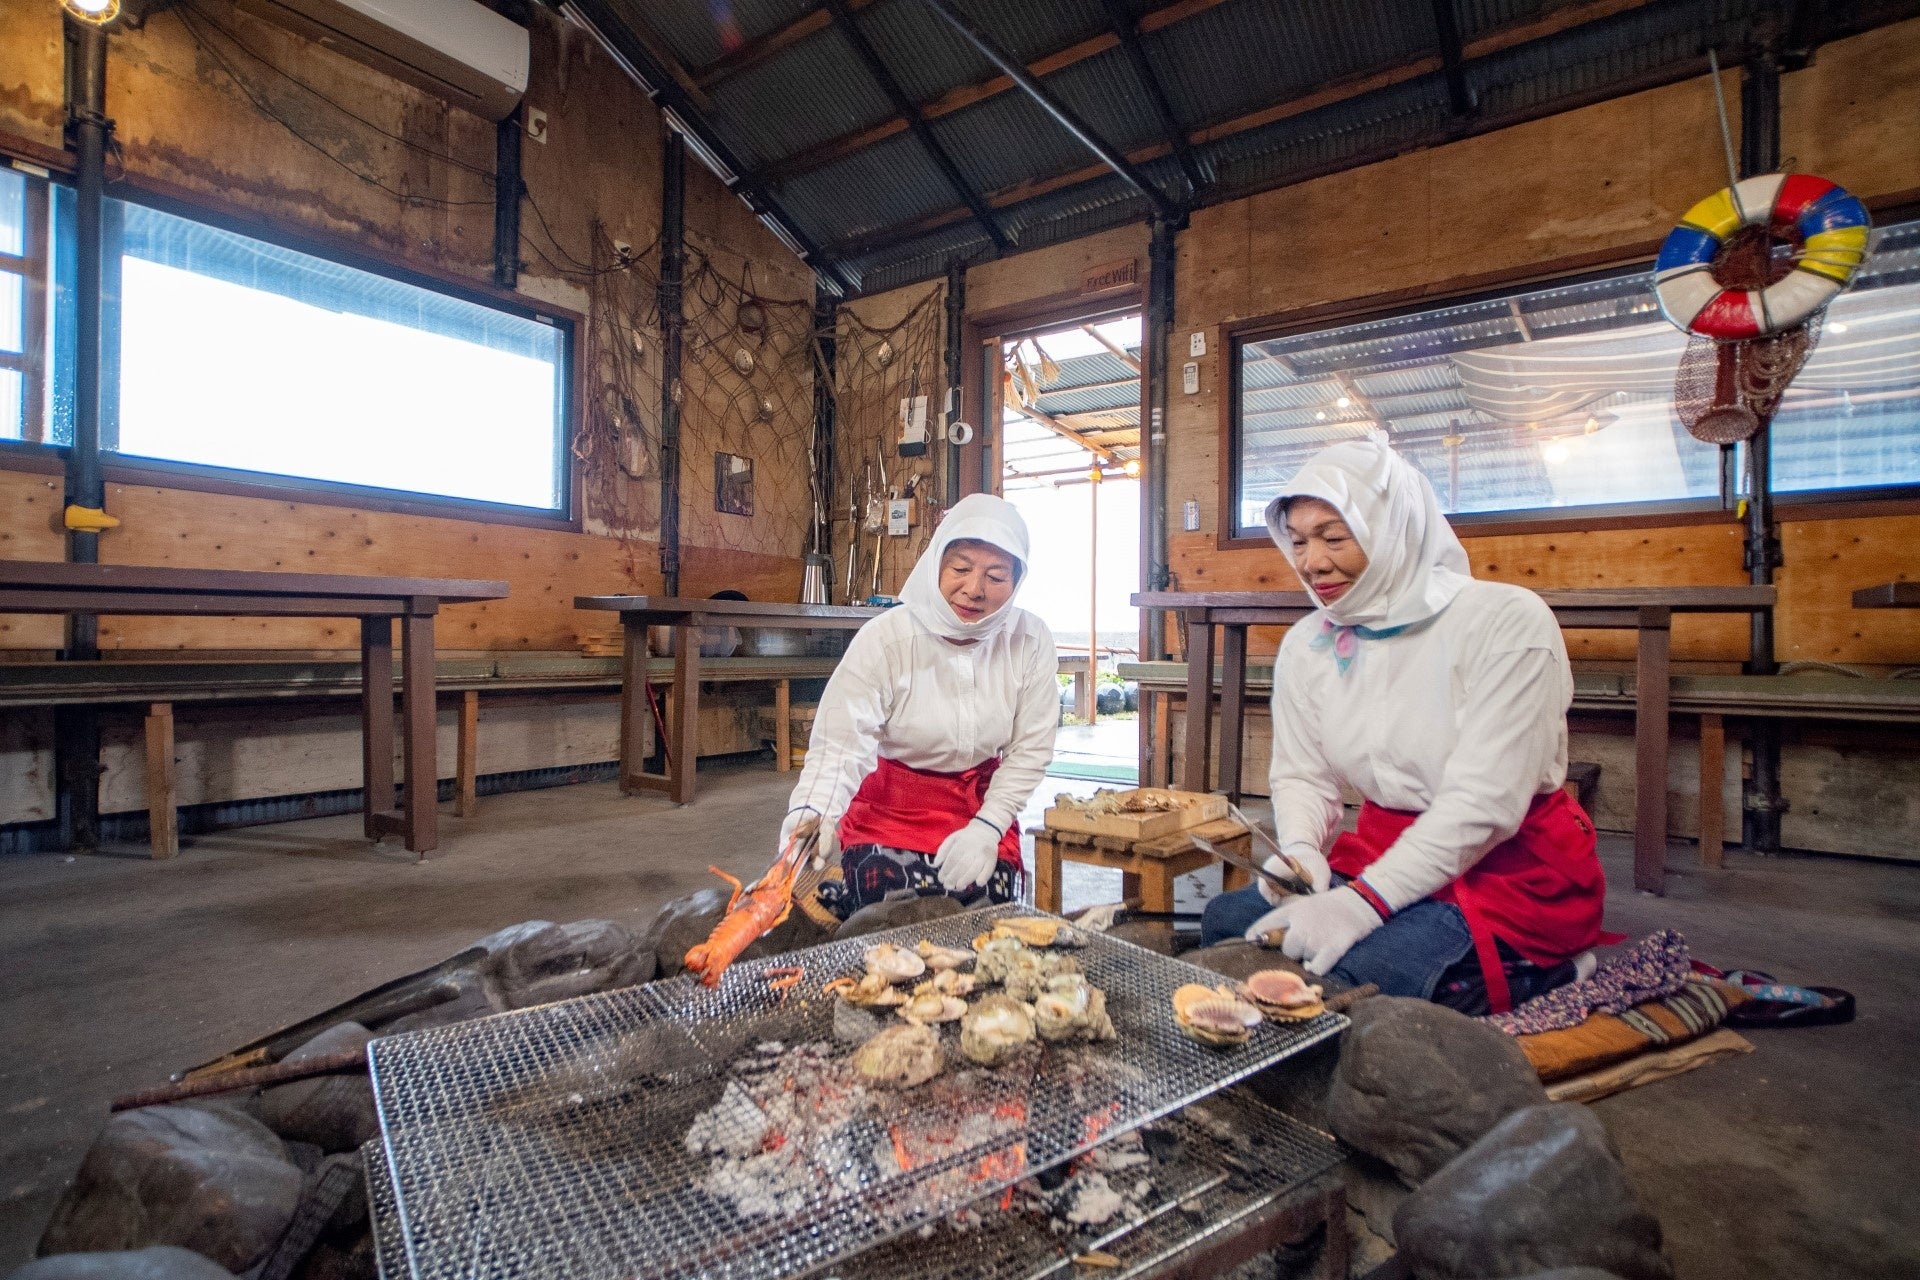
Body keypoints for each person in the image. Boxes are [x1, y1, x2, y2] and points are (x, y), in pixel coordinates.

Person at [1200, 437, 1606, 1014]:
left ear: (1393, 527)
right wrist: (1299, 850)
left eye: (1334, 538)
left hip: (1509, 869)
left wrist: (1360, 906)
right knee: (1230, 922)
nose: (1311, 563)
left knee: (1367, 976)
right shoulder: (1309, 645)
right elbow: (1301, 773)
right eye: (1297, 543)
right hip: (1380, 851)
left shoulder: (1505, 622)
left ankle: (1552, 970)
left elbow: (1484, 804)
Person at [780, 493, 1058, 915]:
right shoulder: (886, 639)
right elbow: (841, 743)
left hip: (977, 805)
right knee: (886, 909)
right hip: (893, 805)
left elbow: (1029, 750)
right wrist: (812, 814)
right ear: (936, 564)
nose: (974, 589)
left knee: (989, 912)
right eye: (961, 568)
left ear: (1017, 581)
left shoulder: (1030, 640)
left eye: (997, 576)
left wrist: (987, 827)